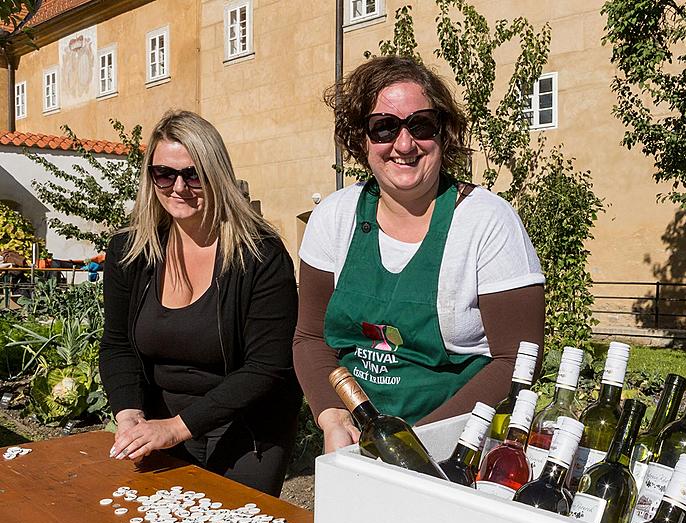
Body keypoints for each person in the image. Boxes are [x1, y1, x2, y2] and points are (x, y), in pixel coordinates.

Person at [294, 56, 546, 454]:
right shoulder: (334, 217)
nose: (404, 144)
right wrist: (331, 417)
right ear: (362, 140)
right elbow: (310, 338)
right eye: (384, 127)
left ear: (443, 134)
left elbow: (517, 360)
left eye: (421, 125)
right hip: (353, 441)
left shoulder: (485, 222)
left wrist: (413, 446)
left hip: (458, 448)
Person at [100, 110, 300, 496]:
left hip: (247, 422)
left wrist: (177, 427)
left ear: (216, 175)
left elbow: (268, 366)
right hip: (160, 415)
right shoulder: (130, 251)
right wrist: (129, 415)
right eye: (164, 174)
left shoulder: (259, 255)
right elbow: (117, 344)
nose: (179, 187)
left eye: (193, 174)